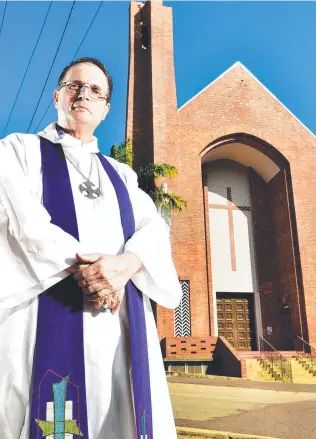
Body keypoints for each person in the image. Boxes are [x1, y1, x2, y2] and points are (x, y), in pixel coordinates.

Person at [0, 57, 182, 439]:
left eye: (95, 90)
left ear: (106, 108)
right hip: (43, 315)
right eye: (74, 85)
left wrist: (126, 264)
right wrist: (93, 273)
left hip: (117, 329)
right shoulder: (18, 150)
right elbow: (25, 225)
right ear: (57, 96)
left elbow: (152, 229)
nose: (84, 94)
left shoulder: (122, 174)